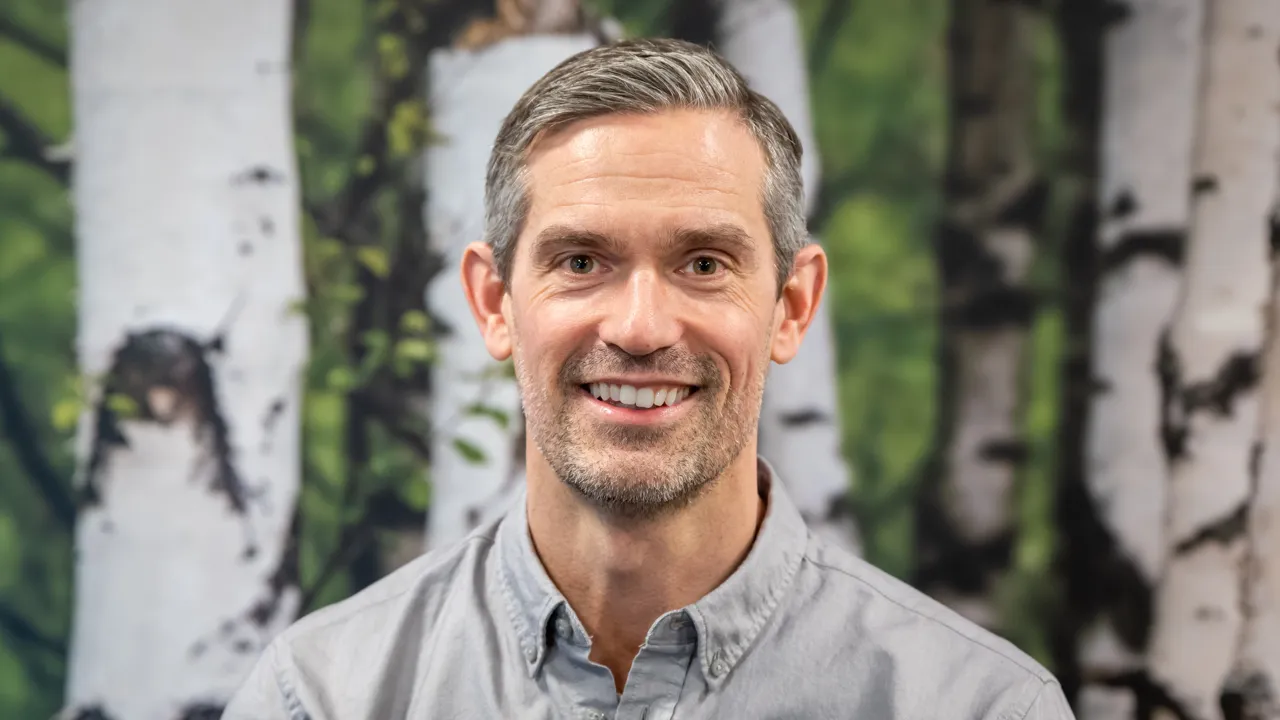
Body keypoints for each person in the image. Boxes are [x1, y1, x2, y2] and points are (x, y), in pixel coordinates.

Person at [223, 38, 1075, 720]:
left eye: (704, 263)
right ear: (494, 303)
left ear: (790, 306)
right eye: (581, 260)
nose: (639, 327)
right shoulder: (323, 695)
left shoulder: (979, 706)